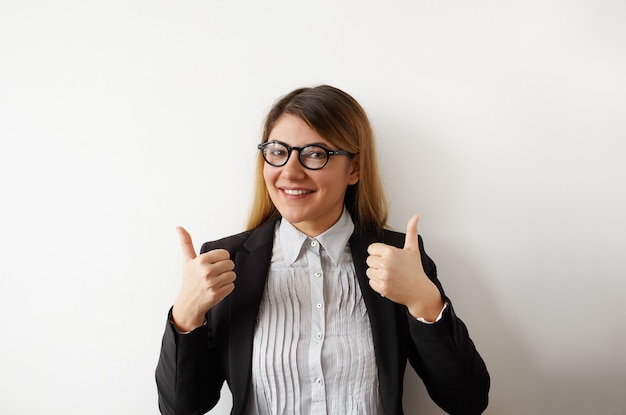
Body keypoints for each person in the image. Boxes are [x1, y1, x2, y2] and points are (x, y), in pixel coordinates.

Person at [156, 85, 490, 415]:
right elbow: (180, 408)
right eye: (277, 151)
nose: (289, 171)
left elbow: (467, 401)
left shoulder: (397, 259)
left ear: (354, 169)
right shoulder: (227, 263)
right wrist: (185, 317)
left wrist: (425, 303)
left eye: (315, 153)